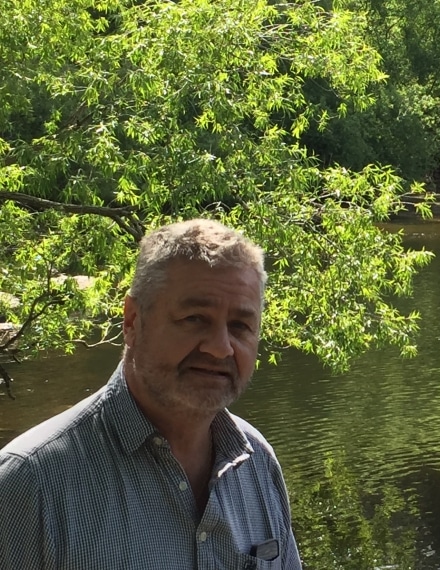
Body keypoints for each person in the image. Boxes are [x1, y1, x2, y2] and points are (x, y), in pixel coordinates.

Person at [0, 219, 303, 569]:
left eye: (240, 326)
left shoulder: (258, 463)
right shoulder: (28, 484)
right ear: (132, 321)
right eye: (194, 319)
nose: (221, 348)